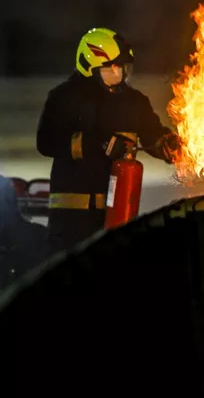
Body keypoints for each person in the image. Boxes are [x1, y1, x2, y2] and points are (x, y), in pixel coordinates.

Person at [36, 27, 180, 254]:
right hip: (71, 222)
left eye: (121, 67)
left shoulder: (134, 102)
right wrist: (97, 144)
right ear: (88, 66)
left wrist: (169, 146)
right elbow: (45, 142)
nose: (118, 73)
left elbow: (152, 134)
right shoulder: (63, 98)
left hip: (118, 214)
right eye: (109, 67)